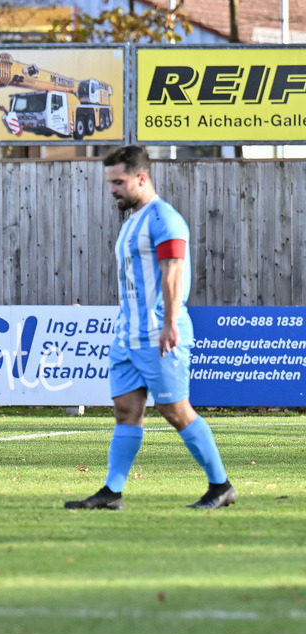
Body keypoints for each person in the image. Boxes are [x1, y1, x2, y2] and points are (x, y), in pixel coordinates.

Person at [65, 145, 236, 511]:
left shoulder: (164, 219)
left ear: (142, 178)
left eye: (119, 182)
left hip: (159, 332)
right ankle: (112, 492)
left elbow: (173, 272)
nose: (112, 189)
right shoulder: (132, 222)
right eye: (110, 182)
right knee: (126, 411)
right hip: (126, 336)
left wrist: (171, 324)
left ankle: (220, 485)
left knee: (176, 411)